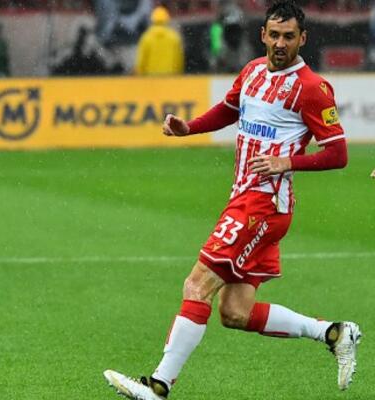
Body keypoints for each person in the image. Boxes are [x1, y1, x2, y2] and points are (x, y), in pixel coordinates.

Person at [104, 1, 361, 399]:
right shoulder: (253, 71)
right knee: (235, 312)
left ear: (302, 39)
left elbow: (338, 154)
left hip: (262, 204)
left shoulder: (311, 88)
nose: (280, 43)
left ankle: (158, 386)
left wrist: (286, 162)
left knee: (196, 285)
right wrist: (189, 128)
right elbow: (229, 109)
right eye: (274, 35)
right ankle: (334, 333)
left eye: (289, 36)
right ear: (262, 35)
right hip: (246, 199)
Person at [134, 6, 184, 75]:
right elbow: (178, 59)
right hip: (169, 76)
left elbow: (141, 59)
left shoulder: (147, 37)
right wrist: (178, 73)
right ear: (167, 19)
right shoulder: (173, 37)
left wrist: (139, 73)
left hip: (150, 77)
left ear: (153, 20)